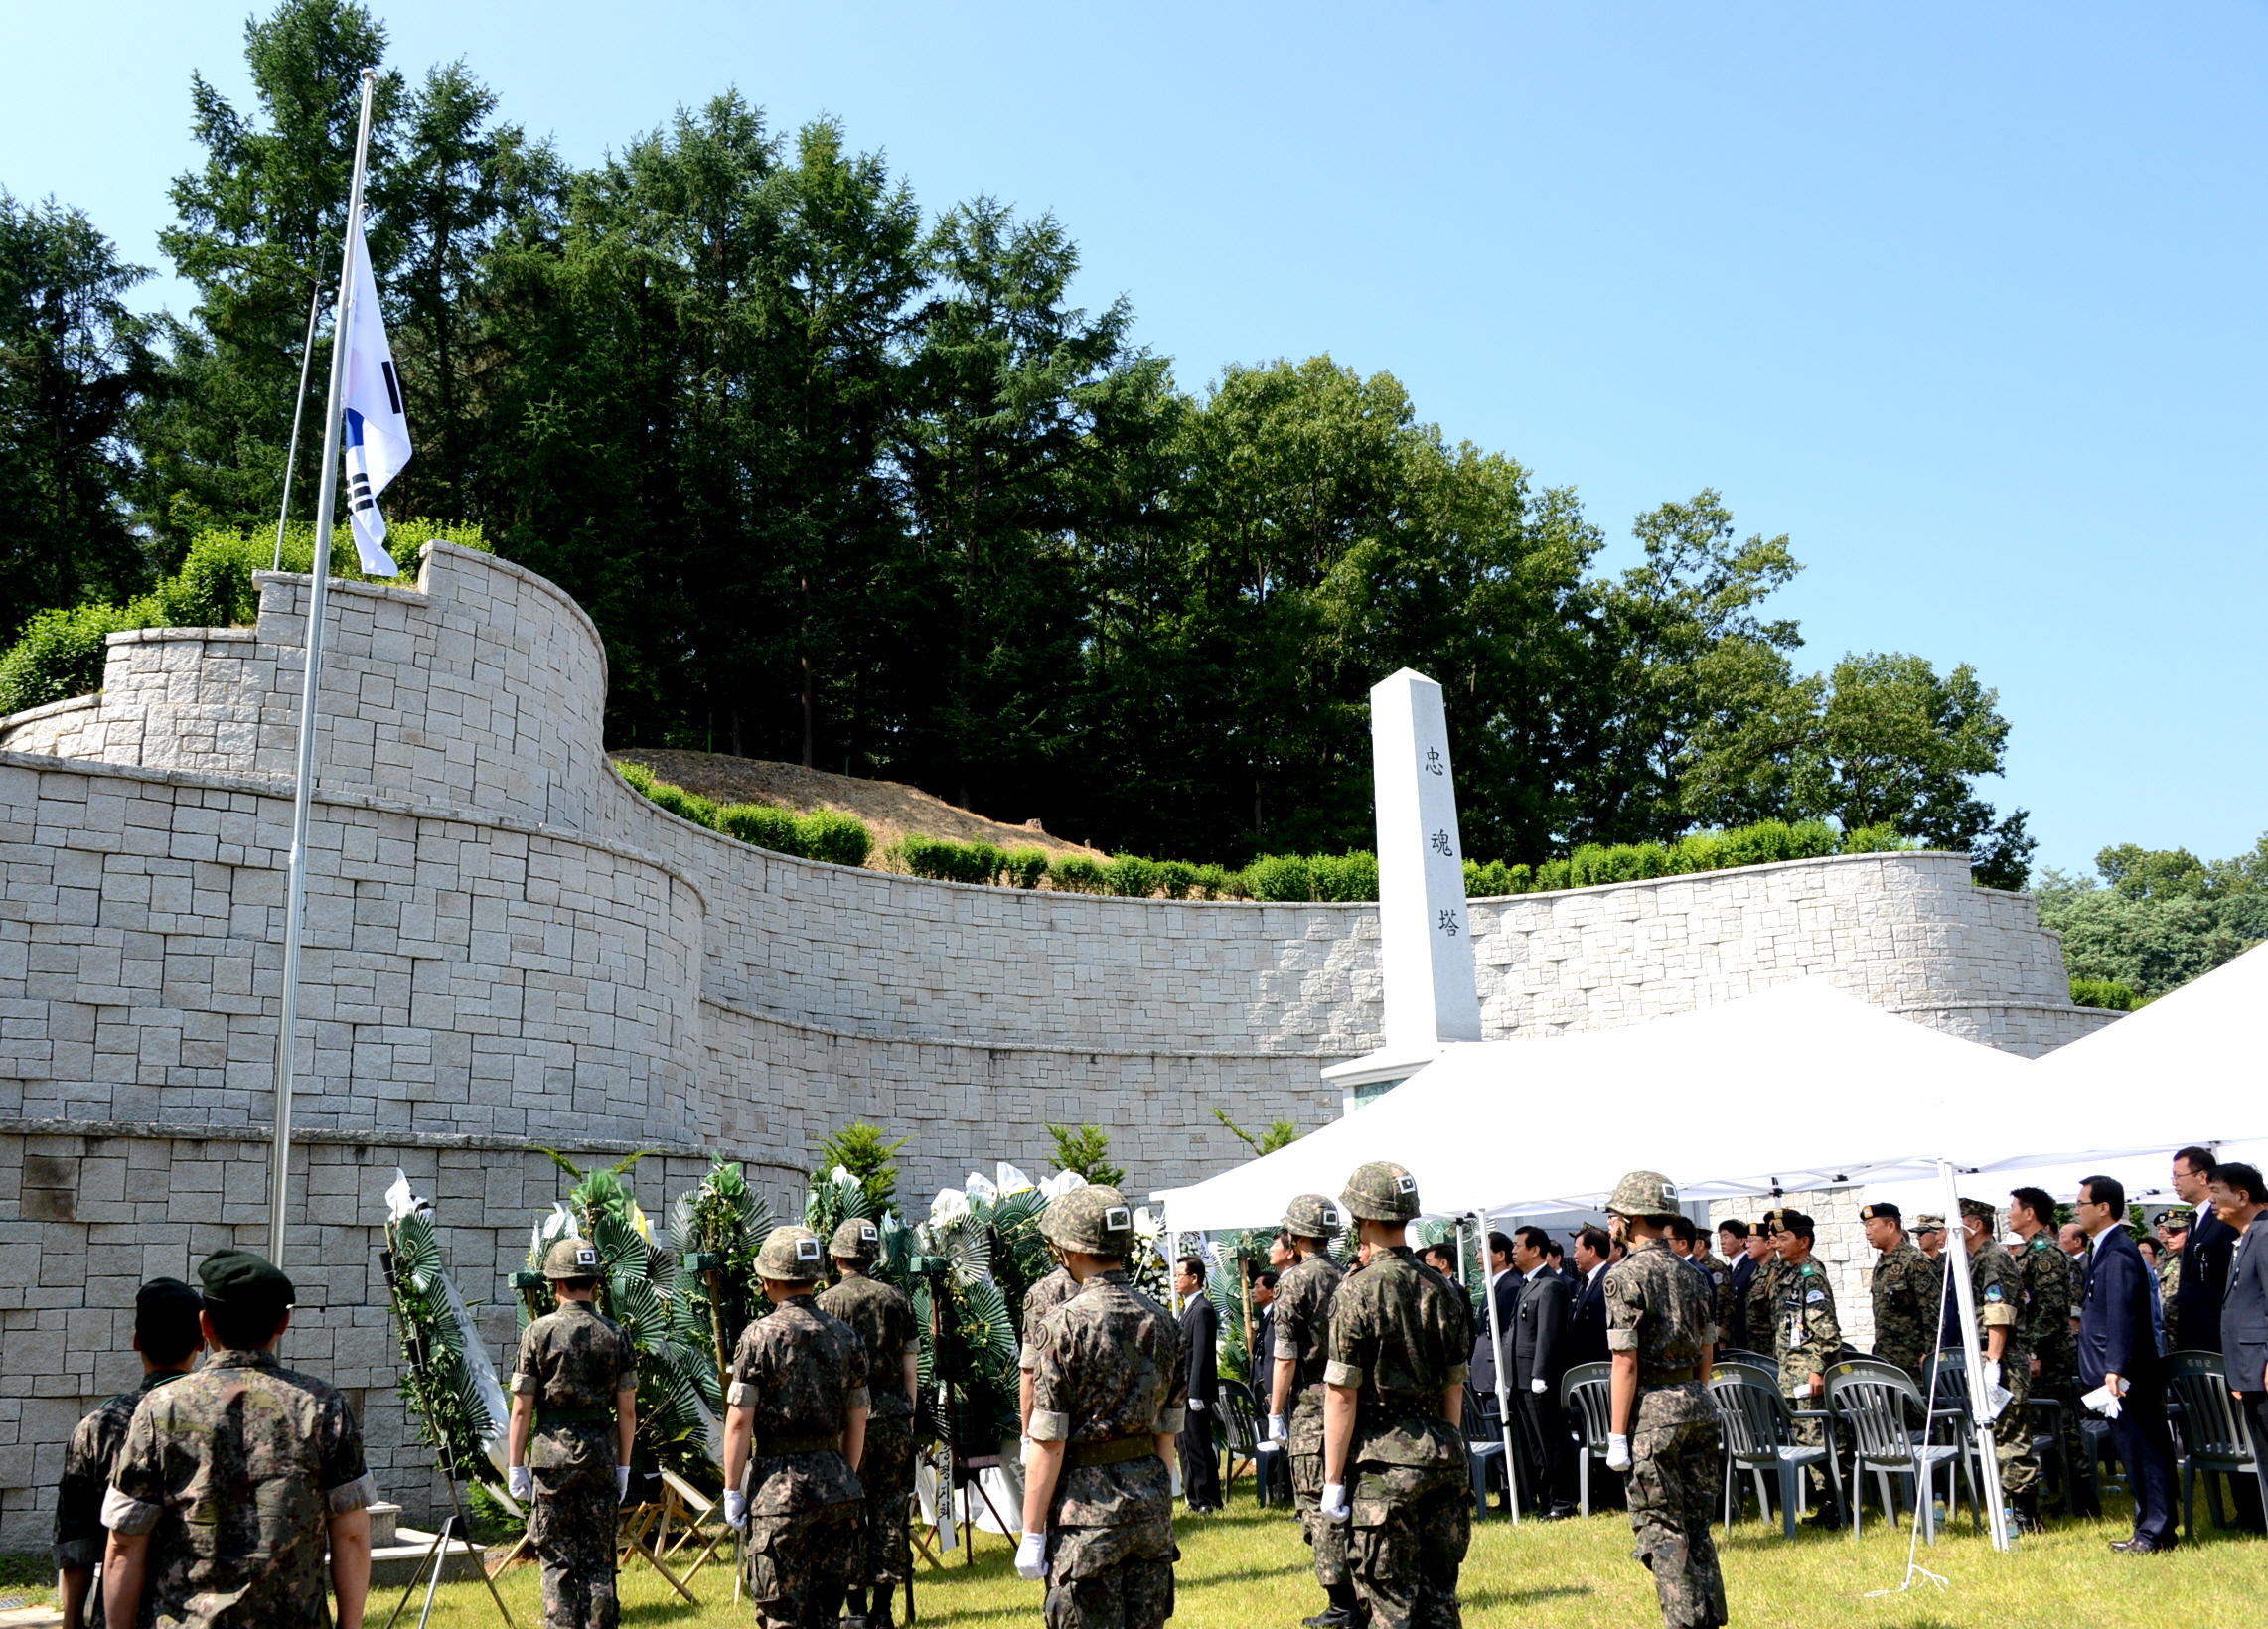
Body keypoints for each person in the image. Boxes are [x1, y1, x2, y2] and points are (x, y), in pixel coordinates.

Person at [101, 1249, 376, 1629]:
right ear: (284, 1321)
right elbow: (351, 1535)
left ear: (205, 1324)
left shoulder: (161, 1408)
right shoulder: (323, 1405)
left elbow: (125, 1543)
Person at [1015, 1186, 1183, 1629]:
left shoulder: (1064, 1325)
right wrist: (1158, 1499)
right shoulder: (1163, 1321)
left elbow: (1048, 1440)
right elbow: (1167, 1430)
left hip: (1085, 1518)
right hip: (1149, 1510)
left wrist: (1032, 1533)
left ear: (1069, 1247)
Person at [1320, 1161, 1472, 1629]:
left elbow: (1342, 1395)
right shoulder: (1444, 1288)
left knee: (1390, 1607)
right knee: (1440, 1603)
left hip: (1383, 1465)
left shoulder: (1356, 1293)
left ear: (1361, 1220)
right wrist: (1448, 1445)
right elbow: (1454, 1385)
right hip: (1443, 1458)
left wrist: (1331, 1482)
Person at [721, 1225, 871, 1629]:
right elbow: (859, 1415)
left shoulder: (759, 1337)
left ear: (769, 1280)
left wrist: (731, 1489)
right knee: (826, 1615)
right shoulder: (847, 1336)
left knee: (782, 1616)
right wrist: (847, 1474)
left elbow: (739, 1422)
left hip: (779, 1491)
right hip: (838, 1486)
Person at [1600, 1172, 1725, 1629]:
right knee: (1696, 1524)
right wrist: (1696, 1391)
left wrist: (1616, 1435)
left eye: (1616, 1216)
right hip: (1696, 1400)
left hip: (1654, 1408)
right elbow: (1708, 1347)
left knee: (1663, 1530)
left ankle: (1684, 1621)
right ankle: (1709, 1616)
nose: (1612, 1224)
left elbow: (1625, 1363)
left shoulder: (1625, 1275)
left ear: (1632, 1220)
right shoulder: (1693, 1273)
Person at [55, 1278, 205, 1629]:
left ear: (137, 1340)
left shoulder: (98, 1427)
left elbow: (76, 1538)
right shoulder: (222, 1418)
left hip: (121, 1612)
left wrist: (72, 1619)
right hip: (202, 1612)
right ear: (202, 1341)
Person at [507, 1235, 639, 1629]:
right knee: (599, 1560)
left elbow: (521, 1410)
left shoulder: (538, 1333)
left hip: (552, 1460)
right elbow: (628, 1412)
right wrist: (623, 1467)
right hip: (600, 1456)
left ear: (555, 1284)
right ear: (595, 1285)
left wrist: (516, 1466)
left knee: (557, 1560)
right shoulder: (616, 1335)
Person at [818, 1219, 921, 1629]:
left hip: (849, 1421)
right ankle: (884, 1611)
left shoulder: (826, 1303)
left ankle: (856, 1611)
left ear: (838, 1256)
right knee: (890, 1513)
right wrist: (907, 1415)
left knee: (849, 1513)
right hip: (894, 1417)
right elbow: (911, 1368)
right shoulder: (897, 1300)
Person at [2076, 1173, 2178, 1554]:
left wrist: (2114, 1366)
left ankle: (2156, 1532)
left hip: (2125, 1372)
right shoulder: (2105, 1247)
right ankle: (2148, 1527)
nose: (2076, 1210)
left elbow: (2123, 1314)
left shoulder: (2119, 1251)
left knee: (2146, 1451)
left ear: (2103, 1208)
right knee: (2134, 1451)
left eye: (2082, 1203)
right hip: (2114, 1371)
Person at [1269, 1194, 1353, 1629]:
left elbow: (1285, 1356)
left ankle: (1342, 1602)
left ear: (1297, 1236)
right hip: (1354, 1396)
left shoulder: (1295, 1281)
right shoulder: (1350, 1273)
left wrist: (1275, 1410)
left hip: (1314, 1399)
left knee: (1317, 1502)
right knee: (1349, 1495)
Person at [2010, 1186, 2095, 1517]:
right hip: (2042, 1351)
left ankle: (2082, 1497)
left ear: (2029, 1213)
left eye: (2014, 1207)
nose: (2009, 1213)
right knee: (2054, 1425)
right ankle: (2071, 1493)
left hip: (2049, 1353)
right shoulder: (2033, 1250)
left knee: (2064, 1425)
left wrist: (2034, 1352)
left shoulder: (2044, 1252)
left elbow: (2049, 1309)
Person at [1956, 1198, 2040, 1530]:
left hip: (2000, 1356)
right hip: (1984, 1352)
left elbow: (1998, 1313)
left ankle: (2026, 1515)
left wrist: (1993, 1361)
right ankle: (2007, 1508)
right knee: (1995, 1433)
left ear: (1975, 1224)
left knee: (2011, 1435)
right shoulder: (1977, 1259)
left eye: (1958, 1220)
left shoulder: (1994, 1257)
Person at [1767, 1210, 1840, 1525]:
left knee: (1818, 1439)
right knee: (1804, 1438)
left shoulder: (1811, 1276)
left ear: (1804, 1241)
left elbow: (1827, 1330)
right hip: (1791, 1371)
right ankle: (1826, 1503)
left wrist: (1820, 1370)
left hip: (1809, 1371)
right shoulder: (1787, 1272)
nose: (1777, 1244)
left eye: (1784, 1238)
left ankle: (1837, 1503)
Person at [2210, 1162, 2268, 1519]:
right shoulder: (2248, 1236)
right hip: (2250, 1369)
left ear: (2242, 1195)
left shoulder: (2264, 1236)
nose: (2212, 1199)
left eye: (2217, 1192)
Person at [1510, 1225, 1578, 1519]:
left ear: (1535, 1250)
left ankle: (1563, 1502)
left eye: (1518, 1245)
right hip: (1521, 1376)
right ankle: (1548, 1501)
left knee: (1551, 1442)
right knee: (1536, 1445)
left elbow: (1548, 1334)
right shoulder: (1527, 1283)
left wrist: (1540, 1373)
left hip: (1539, 1378)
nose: (1513, 1250)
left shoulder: (1550, 1285)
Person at [1859, 1203, 1931, 1387]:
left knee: (1916, 1414)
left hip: (1914, 1364)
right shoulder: (1883, 1263)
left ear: (1891, 1226)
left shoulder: (1915, 1261)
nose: (1867, 1231)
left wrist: (1930, 1354)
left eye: (1871, 1225)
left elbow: (1933, 1312)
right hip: (1888, 1361)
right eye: (1865, 1226)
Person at [2173, 1146, 2234, 1355]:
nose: (2174, 1183)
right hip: (2193, 1337)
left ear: (2202, 1177)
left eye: (2178, 1176)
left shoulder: (2224, 1219)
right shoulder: (2196, 1220)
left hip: (2216, 1340)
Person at [1173, 1256, 1222, 1513]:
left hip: (1196, 1392)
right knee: (1185, 1446)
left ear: (1195, 1278)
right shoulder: (1188, 1308)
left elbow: (1201, 1354)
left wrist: (1195, 1392)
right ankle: (1194, 1498)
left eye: (1180, 1275)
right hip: (1184, 1391)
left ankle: (1208, 1499)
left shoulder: (1202, 1309)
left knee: (1198, 1446)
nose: (1176, 1280)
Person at [1570, 1226, 1613, 1368]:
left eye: (1576, 1249)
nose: (1574, 1256)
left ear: (1592, 1250)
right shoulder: (1584, 1282)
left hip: (1601, 1363)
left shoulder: (1608, 1280)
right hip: (1583, 1363)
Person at [1684, 1221, 1735, 1341]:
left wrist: (1721, 1337)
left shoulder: (1714, 1268)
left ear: (1700, 1244)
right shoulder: (1692, 1266)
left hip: (1714, 1335)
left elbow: (1724, 1304)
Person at [1718, 1222, 1755, 1352]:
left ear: (1741, 1240)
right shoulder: (1729, 1269)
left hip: (1749, 1340)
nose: (1722, 1242)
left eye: (1725, 1236)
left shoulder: (1751, 1266)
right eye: (1720, 1237)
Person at [2156, 1209, 2190, 1347]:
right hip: (2171, 1336)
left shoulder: (2194, 1261)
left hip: (2189, 1336)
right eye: (2168, 1231)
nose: (2169, 1236)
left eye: (2175, 1231)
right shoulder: (2174, 1260)